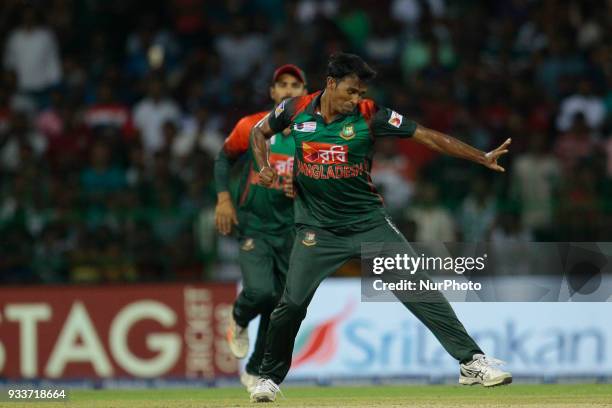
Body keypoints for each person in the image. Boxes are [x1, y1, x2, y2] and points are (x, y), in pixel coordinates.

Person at [249, 53, 513, 402]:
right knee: (292, 305)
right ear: (331, 83)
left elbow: (427, 136)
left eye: (361, 92)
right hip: (316, 229)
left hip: (369, 225)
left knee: (418, 288)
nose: (357, 99)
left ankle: (471, 361)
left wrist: (480, 156)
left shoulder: (371, 114)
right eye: (351, 91)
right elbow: (258, 132)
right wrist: (263, 165)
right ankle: (268, 379)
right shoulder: (295, 110)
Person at [214, 64, 307, 392]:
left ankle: (256, 369)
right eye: (281, 84)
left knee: (280, 306)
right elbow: (223, 159)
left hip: (292, 229)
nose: (288, 90)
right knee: (259, 292)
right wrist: (224, 199)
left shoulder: (312, 134)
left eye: (295, 85)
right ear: (272, 92)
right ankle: (239, 318)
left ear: (305, 93)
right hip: (254, 224)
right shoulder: (251, 126)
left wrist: (300, 186)